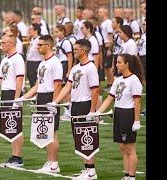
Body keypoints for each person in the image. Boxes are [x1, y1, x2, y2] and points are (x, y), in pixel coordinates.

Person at [48, 39, 100, 179]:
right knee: (78, 137)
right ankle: (87, 168)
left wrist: (93, 111)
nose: (74, 51)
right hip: (75, 105)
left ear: (83, 51)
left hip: (86, 104)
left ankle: (91, 170)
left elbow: (95, 90)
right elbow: (68, 87)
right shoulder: (76, 68)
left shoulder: (90, 67)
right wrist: (56, 101)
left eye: (76, 49)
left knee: (86, 137)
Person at [17, 35, 63, 173]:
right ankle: (49, 162)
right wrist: (23, 98)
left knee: (52, 132)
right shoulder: (42, 63)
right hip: (41, 97)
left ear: (48, 46)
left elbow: (58, 84)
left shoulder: (55, 62)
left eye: (41, 45)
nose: (38, 47)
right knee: (46, 131)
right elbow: (37, 85)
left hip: (50, 97)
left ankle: (54, 164)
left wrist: (54, 102)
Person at [97, 53, 144, 180]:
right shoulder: (118, 80)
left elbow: (137, 102)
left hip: (128, 114)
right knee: (122, 147)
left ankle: (132, 176)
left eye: (119, 62)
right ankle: (127, 175)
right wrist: (98, 113)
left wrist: (136, 120)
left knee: (130, 147)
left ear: (127, 64)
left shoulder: (134, 80)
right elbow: (109, 99)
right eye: (116, 62)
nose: (116, 65)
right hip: (118, 113)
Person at [0, 34, 25, 167]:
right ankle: (14, 155)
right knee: (10, 125)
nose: (2, 45)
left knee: (15, 125)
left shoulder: (18, 58)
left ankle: (18, 157)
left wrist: (17, 99)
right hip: (6, 93)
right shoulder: (4, 60)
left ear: (11, 44)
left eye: (4, 42)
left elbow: (20, 79)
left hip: (14, 93)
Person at [98, 7, 114, 89]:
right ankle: (109, 83)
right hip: (104, 45)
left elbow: (110, 35)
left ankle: (111, 83)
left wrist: (109, 49)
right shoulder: (103, 23)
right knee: (106, 66)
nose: (98, 13)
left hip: (107, 45)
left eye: (100, 12)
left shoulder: (108, 22)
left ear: (105, 12)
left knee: (108, 66)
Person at [26, 23, 44, 88]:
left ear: (36, 30)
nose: (29, 31)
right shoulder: (32, 39)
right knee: (31, 81)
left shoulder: (39, 39)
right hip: (30, 63)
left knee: (35, 82)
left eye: (31, 29)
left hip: (36, 62)